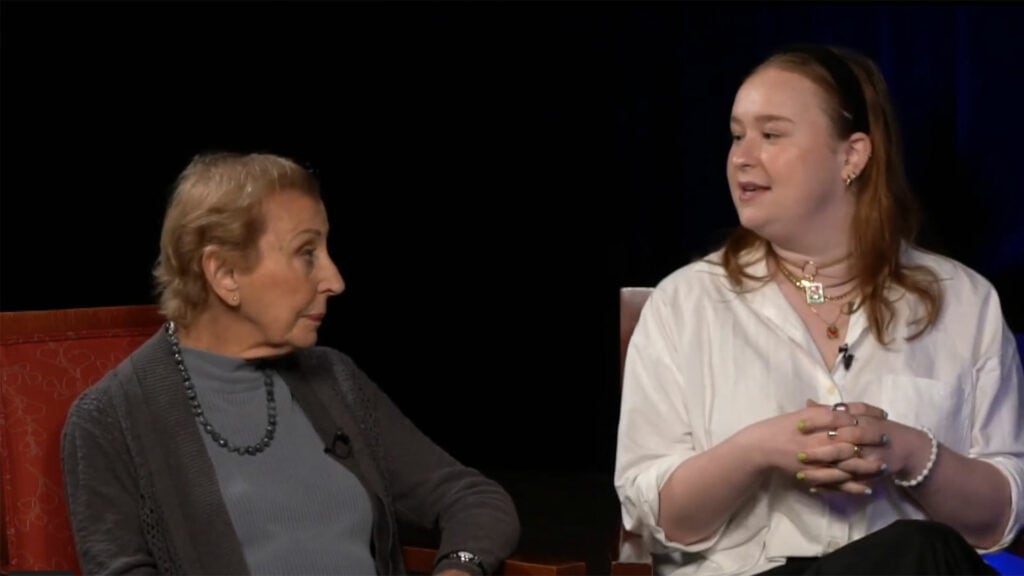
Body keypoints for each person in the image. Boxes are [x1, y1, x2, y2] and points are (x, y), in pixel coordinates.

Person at [614, 44, 1023, 575]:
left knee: (922, 551)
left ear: (851, 156)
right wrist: (756, 451)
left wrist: (911, 454)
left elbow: (999, 522)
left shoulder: (964, 302)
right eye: (738, 135)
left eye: (772, 134)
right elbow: (653, 518)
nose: (742, 156)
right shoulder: (686, 304)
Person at [61, 152, 520, 575]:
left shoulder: (335, 380)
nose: (335, 279)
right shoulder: (107, 422)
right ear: (225, 274)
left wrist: (459, 568)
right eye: (307, 253)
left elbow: (473, 499)